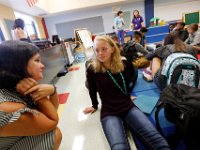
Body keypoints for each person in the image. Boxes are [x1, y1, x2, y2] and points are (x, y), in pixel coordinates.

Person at [83, 35, 170, 150]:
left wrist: (127, 94)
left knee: (157, 140)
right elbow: (92, 90)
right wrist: (94, 105)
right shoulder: (92, 69)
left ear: (112, 48)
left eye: (104, 49)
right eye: (97, 50)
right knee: (119, 147)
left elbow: (130, 80)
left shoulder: (124, 63)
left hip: (128, 107)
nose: (100, 53)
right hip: (109, 112)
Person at [0, 40, 62, 150]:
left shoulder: (16, 89)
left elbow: (51, 111)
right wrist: (41, 98)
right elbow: (52, 121)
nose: (42, 65)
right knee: (54, 135)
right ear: (19, 65)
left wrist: (53, 91)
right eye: (37, 60)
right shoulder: (7, 107)